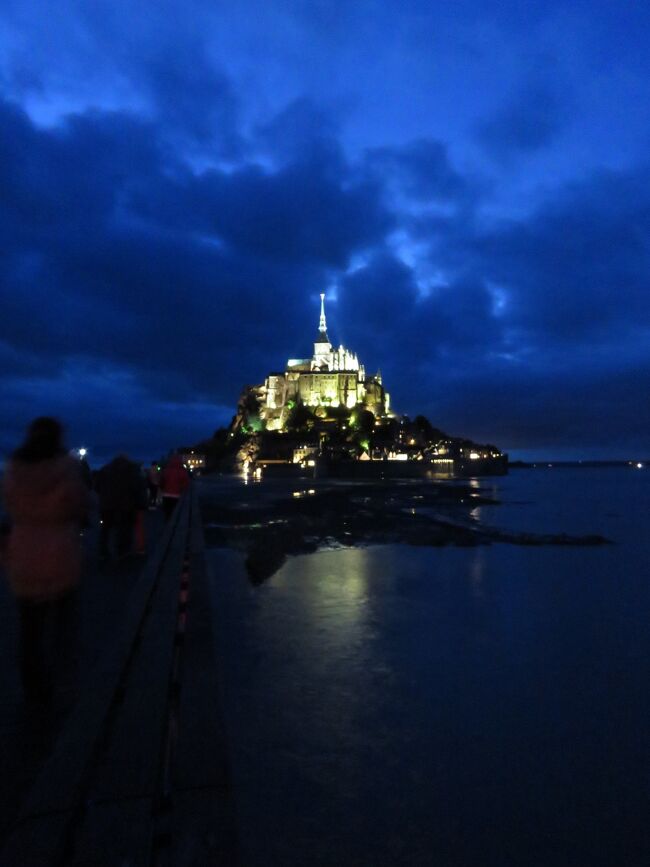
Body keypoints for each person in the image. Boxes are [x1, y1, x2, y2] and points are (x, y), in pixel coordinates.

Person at [3, 417, 89, 702]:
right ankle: (64, 683)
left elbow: (9, 507)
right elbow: (78, 506)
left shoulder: (13, 470)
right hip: (58, 553)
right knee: (63, 625)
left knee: (29, 628)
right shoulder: (66, 469)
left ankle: (33, 686)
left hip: (23, 553)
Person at [94, 454, 146, 559]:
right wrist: (140, 504)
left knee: (106, 529)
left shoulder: (105, 469)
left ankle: (103, 551)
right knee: (124, 529)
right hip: (126, 505)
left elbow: (96, 486)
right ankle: (122, 552)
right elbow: (138, 488)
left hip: (106, 505)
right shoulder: (132, 471)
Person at [160, 454, 190, 520]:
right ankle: (172, 524)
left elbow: (162, 481)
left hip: (166, 494)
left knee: (167, 511)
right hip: (177, 495)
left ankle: (167, 524)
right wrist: (181, 488)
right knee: (175, 512)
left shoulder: (166, 470)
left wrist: (163, 489)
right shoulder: (182, 471)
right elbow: (186, 483)